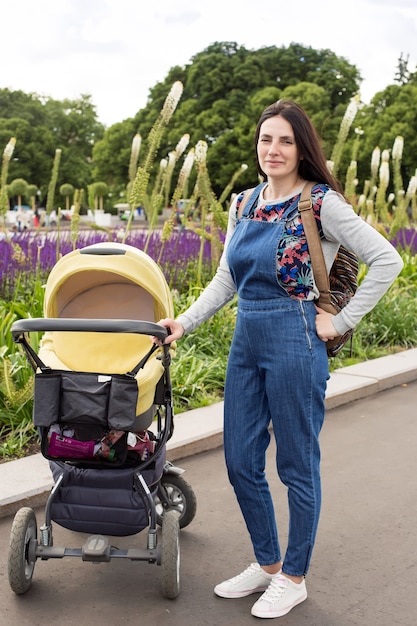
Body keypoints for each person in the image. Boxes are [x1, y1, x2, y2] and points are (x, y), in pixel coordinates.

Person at [154, 100, 403, 619]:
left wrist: (341, 320)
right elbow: (226, 279)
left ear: (302, 147)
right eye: (267, 139)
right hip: (247, 337)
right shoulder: (244, 202)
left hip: (297, 338)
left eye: (285, 140)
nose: (274, 149)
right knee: (240, 461)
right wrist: (184, 322)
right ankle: (267, 565)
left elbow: (388, 258)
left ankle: (294, 576)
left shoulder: (320, 204)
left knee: (296, 465)